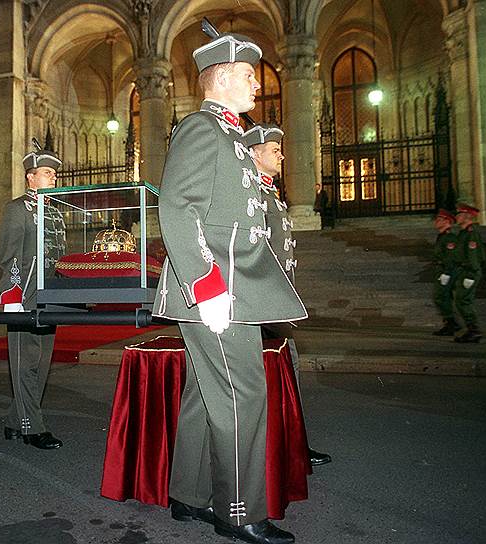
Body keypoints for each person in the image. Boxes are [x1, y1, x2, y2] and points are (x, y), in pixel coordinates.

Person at [152, 19, 307, 544]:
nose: (256, 83)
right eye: (247, 74)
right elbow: (177, 206)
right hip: (218, 289)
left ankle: (189, 494)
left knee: (205, 393)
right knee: (242, 395)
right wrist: (205, 284)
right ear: (218, 78)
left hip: (234, 283)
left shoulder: (232, 137)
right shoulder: (201, 128)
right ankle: (237, 510)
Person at [242, 123, 331, 469]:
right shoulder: (253, 196)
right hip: (264, 303)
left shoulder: (271, 196)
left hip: (277, 302)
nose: (281, 154)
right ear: (254, 154)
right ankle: (283, 448)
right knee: (274, 379)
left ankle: (293, 445)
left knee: (287, 375)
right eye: (274, 150)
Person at [0, 143, 66, 450]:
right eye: (47, 173)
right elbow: (8, 256)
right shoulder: (16, 210)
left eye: (54, 174)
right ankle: (31, 427)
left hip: (50, 297)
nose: (53, 179)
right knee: (26, 362)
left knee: (42, 361)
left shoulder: (54, 213)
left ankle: (15, 420)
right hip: (24, 295)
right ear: (30, 177)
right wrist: (10, 295)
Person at [452, 203, 485, 343]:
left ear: (467, 216)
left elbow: (473, 257)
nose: (456, 217)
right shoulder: (463, 233)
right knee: (462, 301)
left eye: (459, 214)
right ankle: (472, 330)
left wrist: (471, 275)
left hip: (469, 272)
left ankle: (475, 331)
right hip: (464, 271)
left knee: (463, 301)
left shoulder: (471, 235)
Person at [431, 209, 459, 337]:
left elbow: (450, 257)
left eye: (439, 219)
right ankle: (450, 323)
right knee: (442, 296)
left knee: (441, 296)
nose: (436, 222)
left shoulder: (449, 238)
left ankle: (451, 323)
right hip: (441, 270)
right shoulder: (442, 236)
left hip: (447, 271)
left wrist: (447, 273)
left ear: (447, 222)